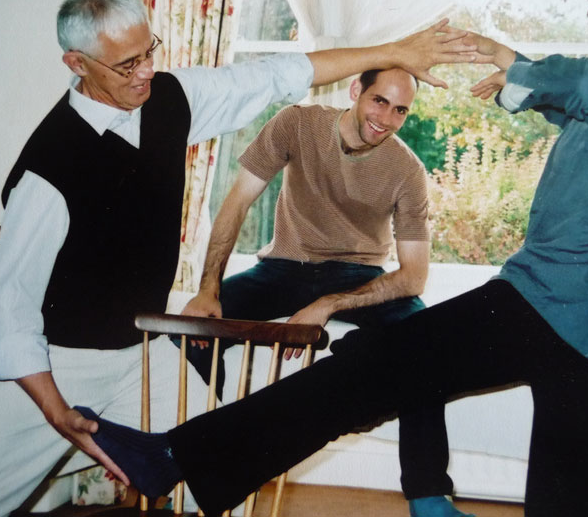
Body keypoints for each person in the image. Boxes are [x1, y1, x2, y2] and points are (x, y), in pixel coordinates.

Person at [73, 0, 588, 517]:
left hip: (557, 307)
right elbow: (578, 101)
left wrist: (508, 59)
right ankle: (176, 459)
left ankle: (172, 460)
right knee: (560, 501)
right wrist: (518, 90)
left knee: (371, 369)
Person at [0, 0, 482, 517]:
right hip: (51, 368)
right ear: (77, 63)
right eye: (126, 65)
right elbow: (5, 310)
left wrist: (394, 51)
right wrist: (54, 411)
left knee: (226, 452)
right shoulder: (49, 170)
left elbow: (283, 72)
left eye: (149, 52)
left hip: (137, 355)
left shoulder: (169, 99)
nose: (145, 73)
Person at [179, 67, 470, 516]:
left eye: (400, 111)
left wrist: (328, 304)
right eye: (379, 101)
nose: (387, 118)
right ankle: (201, 464)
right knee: (192, 330)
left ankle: (429, 496)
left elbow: (413, 277)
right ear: (356, 91)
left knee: (423, 338)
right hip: (283, 267)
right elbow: (238, 202)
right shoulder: (296, 123)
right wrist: (207, 288)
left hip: (355, 274)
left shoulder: (406, 170)